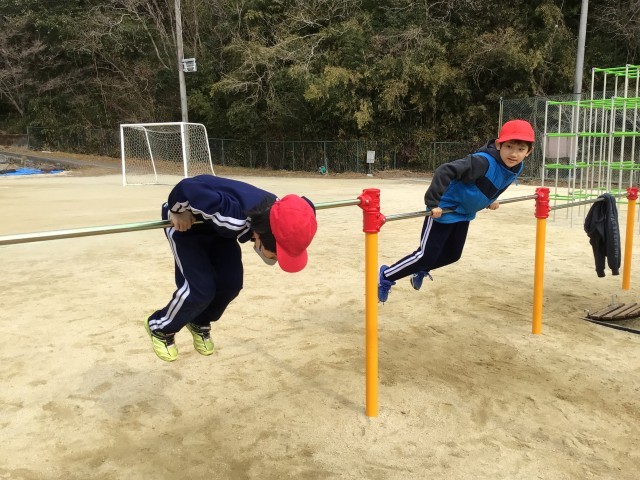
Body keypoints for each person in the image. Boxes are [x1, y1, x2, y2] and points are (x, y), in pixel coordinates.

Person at [145, 175, 318, 362]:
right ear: (262, 236)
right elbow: (186, 187)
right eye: (277, 254)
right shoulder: (233, 216)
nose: (275, 258)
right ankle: (160, 327)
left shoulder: (277, 212)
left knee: (231, 283)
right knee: (200, 290)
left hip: (217, 229)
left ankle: (199, 321)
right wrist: (176, 210)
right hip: (186, 224)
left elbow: (306, 204)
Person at [378, 119, 535, 303]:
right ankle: (386, 276)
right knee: (425, 256)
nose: (514, 154)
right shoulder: (481, 162)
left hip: (464, 213)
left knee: (453, 255)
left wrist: (490, 199)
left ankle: (421, 269)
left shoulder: (516, 166)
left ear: (529, 152)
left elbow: (497, 183)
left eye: (520, 149)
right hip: (445, 210)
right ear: (499, 144)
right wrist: (433, 203)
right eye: (509, 147)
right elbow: (444, 171)